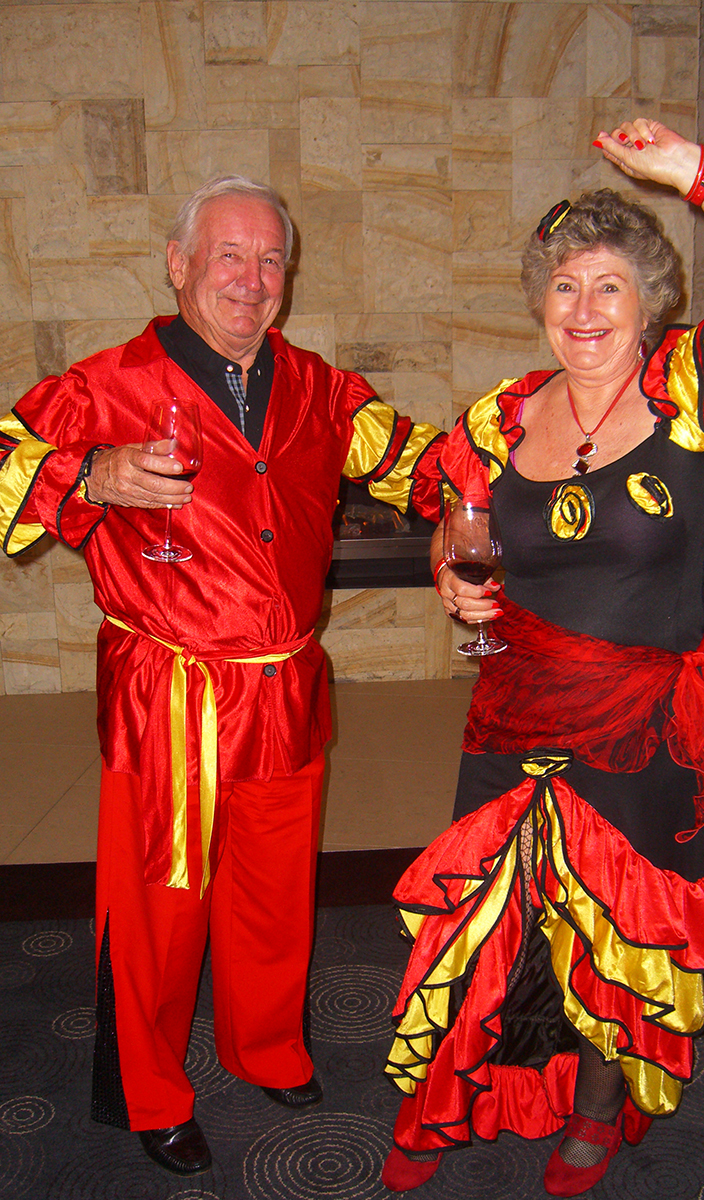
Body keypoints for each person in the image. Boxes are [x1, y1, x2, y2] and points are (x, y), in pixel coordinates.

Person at [381, 118, 704, 1198]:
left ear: (650, 301)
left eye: (609, 286)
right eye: (564, 286)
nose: (583, 308)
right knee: (493, 916)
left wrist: (694, 173)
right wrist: (449, 575)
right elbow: (457, 525)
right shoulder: (502, 415)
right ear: (539, 301)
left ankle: (598, 1109)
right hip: (512, 714)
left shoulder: (694, 392)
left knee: (619, 930)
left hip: (638, 732)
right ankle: (464, 1092)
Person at [0, 177, 445, 1177]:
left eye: (269, 259)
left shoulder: (321, 389)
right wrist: (91, 475)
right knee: (159, 909)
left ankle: (266, 1048)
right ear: (179, 264)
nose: (250, 279)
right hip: (170, 695)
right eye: (228, 255)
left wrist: (529, 458)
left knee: (274, 892)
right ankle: (151, 1089)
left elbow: (420, 463)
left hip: (282, 686)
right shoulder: (108, 383)